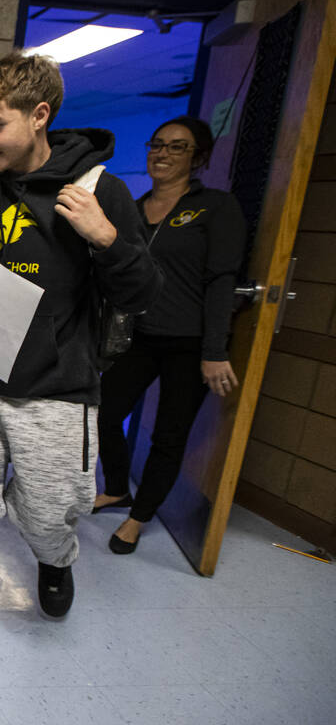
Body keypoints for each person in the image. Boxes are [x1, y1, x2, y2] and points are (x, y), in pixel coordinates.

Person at [0, 52, 162, 658]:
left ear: (39, 116)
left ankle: (55, 564)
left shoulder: (99, 190)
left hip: (56, 389)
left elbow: (142, 295)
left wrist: (105, 238)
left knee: (49, 512)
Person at [93, 117, 246, 554]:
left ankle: (138, 518)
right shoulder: (134, 210)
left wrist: (214, 350)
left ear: (198, 158)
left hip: (189, 342)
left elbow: (221, 281)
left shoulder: (215, 207)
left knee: (168, 435)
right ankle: (118, 487)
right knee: (105, 413)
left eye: (177, 147)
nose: (162, 153)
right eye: (157, 145)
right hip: (137, 337)